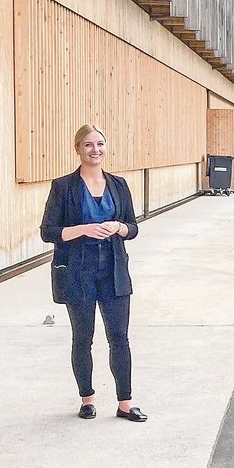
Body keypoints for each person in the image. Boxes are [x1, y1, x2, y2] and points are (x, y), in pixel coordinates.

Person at [39, 124, 145, 422]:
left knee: (119, 338)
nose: (95, 149)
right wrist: (82, 229)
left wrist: (119, 227)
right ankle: (87, 399)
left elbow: (133, 227)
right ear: (78, 149)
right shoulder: (63, 187)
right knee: (82, 338)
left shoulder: (119, 184)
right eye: (88, 144)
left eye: (99, 144)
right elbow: (48, 231)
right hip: (78, 271)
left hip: (113, 271)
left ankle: (125, 403)